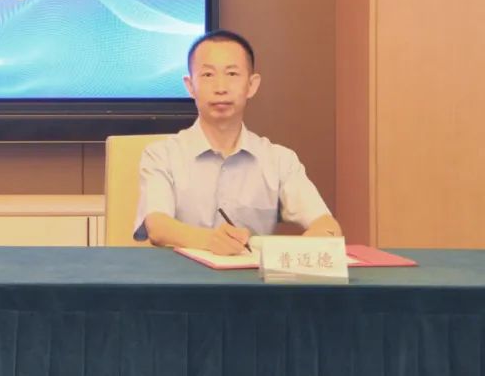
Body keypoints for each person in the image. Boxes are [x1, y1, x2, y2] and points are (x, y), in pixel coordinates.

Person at [133, 29, 341, 255]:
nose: (220, 88)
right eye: (208, 75)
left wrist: (295, 248)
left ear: (252, 85)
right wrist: (209, 240)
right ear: (190, 86)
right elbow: (158, 227)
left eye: (232, 74)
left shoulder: (280, 160)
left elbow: (327, 226)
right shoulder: (161, 155)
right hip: (183, 276)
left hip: (253, 276)